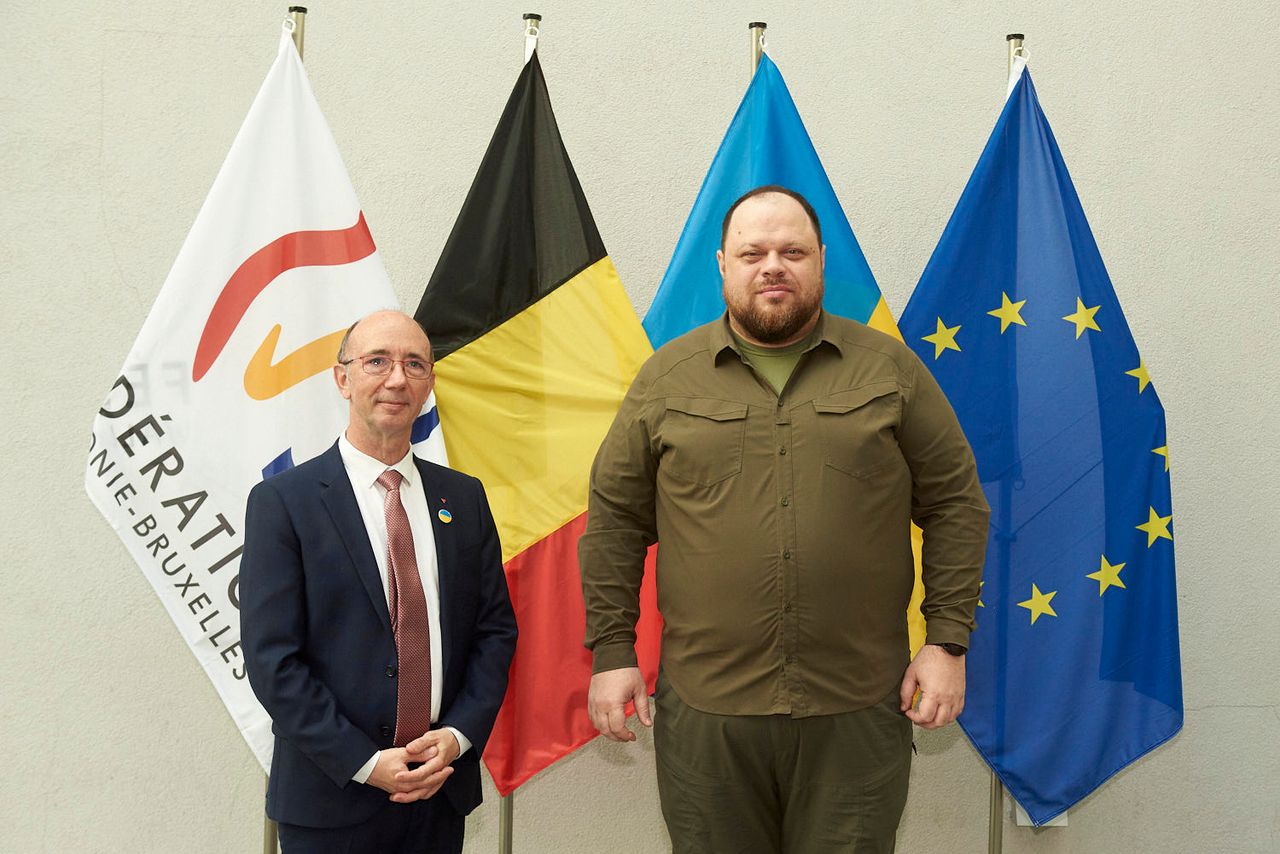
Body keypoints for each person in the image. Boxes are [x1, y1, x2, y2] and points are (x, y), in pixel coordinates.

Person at [580, 186, 989, 853]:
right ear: (723, 264)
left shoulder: (888, 370)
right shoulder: (667, 380)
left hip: (854, 710)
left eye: (791, 251)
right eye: (753, 252)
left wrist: (946, 642)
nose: (773, 265)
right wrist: (612, 650)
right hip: (710, 716)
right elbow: (615, 524)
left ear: (821, 261)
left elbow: (955, 503)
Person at [242, 310, 517, 854]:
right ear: (342, 378)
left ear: (430, 383)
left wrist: (459, 737)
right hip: (330, 799)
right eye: (377, 362)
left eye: (415, 364)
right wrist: (366, 763)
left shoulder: (463, 499)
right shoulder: (284, 503)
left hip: (439, 792)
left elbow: (494, 632)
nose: (397, 379)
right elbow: (274, 660)